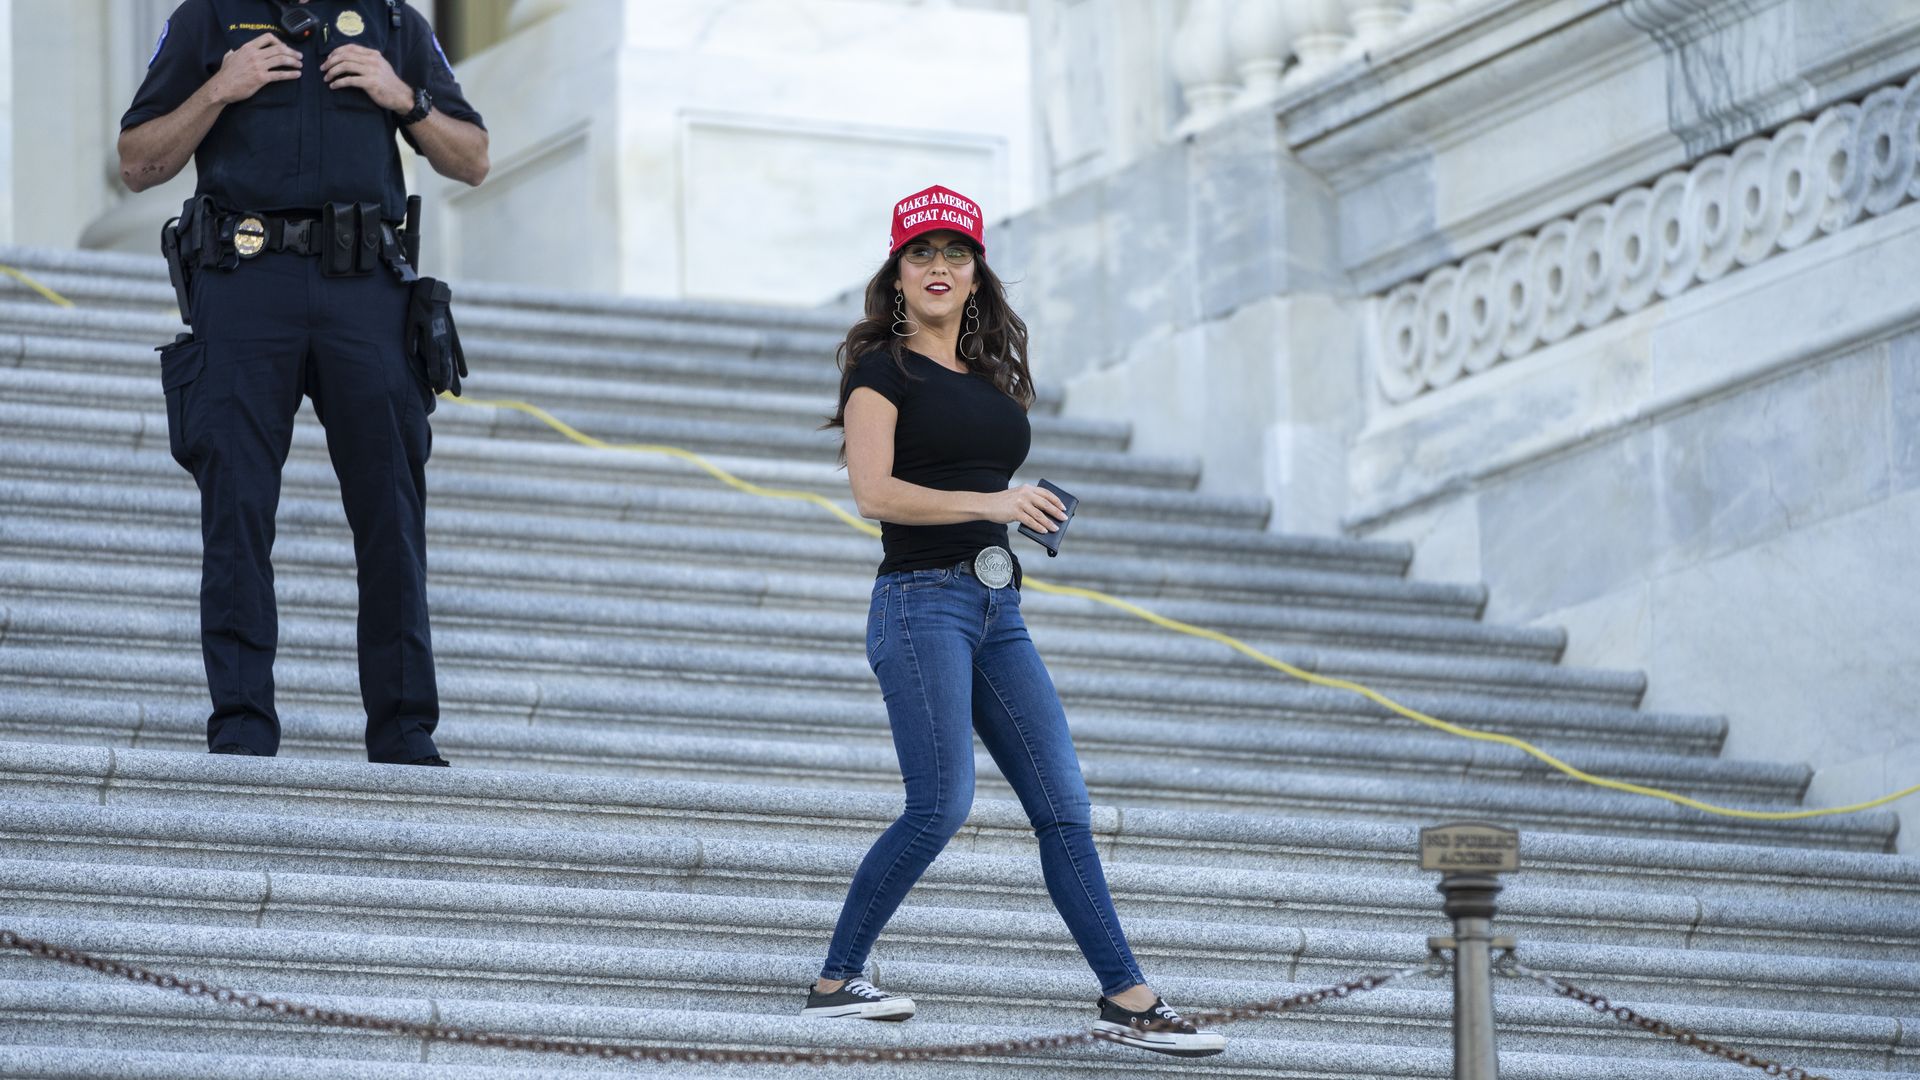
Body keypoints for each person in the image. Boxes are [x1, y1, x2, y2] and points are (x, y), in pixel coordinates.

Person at [804, 185, 1226, 1058]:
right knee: (942, 803)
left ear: (976, 271)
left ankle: (1129, 999)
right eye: (921, 253)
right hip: (921, 603)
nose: (939, 267)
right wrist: (995, 499)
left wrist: (1023, 510)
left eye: (956, 253)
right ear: (896, 271)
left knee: (1064, 806)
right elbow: (873, 494)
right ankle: (837, 980)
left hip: (998, 606)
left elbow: (974, 476)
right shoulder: (878, 370)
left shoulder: (989, 374)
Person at [116, 0, 488, 764]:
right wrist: (220, 88)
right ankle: (244, 724)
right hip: (245, 283)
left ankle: (404, 728)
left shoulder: (393, 24)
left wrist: (404, 97)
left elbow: (473, 158)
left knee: (390, 511)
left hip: (367, 292)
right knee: (239, 509)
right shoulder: (210, 18)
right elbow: (136, 161)